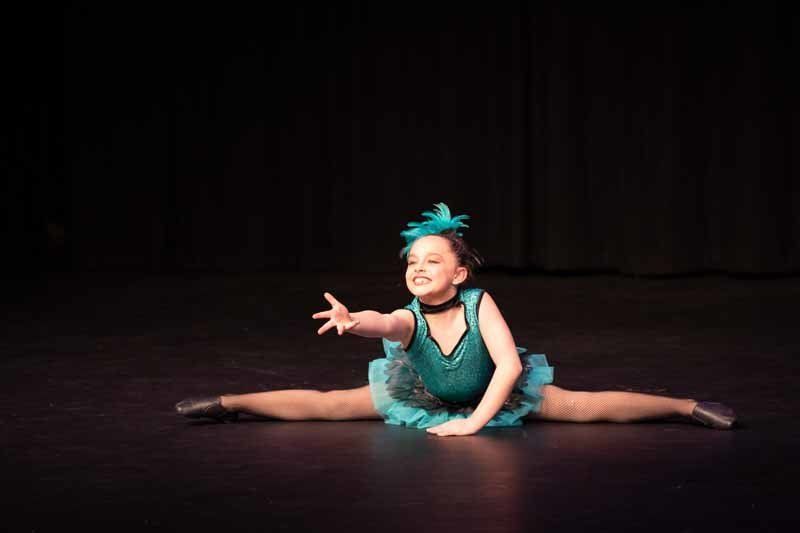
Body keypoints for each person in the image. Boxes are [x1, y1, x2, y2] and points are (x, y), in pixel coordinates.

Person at [175, 203, 736, 436]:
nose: (419, 269)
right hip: (424, 393)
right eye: (412, 262)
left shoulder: (479, 303)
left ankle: (685, 406)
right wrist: (355, 321)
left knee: (582, 406)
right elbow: (386, 324)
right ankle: (231, 402)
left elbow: (510, 366)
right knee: (331, 404)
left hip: (494, 393)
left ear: (459, 274)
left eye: (432, 261)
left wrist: (474, 423)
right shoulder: (410, 318)